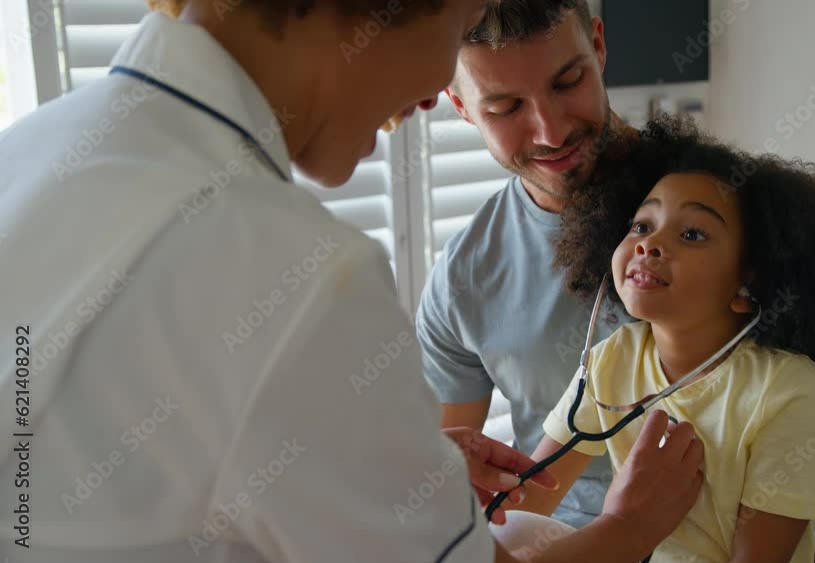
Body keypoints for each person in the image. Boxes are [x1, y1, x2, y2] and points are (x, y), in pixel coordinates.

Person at [0, 1, 705, 562]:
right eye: (458, 27)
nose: (432, 96)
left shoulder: (34, 150)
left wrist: (391, 468)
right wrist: (629, 528)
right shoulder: (300, 275)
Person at [415, 0, 815, 559]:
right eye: (505, 107)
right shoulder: (462, 281)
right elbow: (465, 492)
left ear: (599, 45)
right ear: (459, 104)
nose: (550, 131)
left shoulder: (732, 207)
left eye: (568, 80)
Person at [521, 115, 815, 562]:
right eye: (641, 225)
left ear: (748, 284)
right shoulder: (610, 361)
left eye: (692, 233)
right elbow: (531, 496)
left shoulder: (787, 394)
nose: (648, 244)